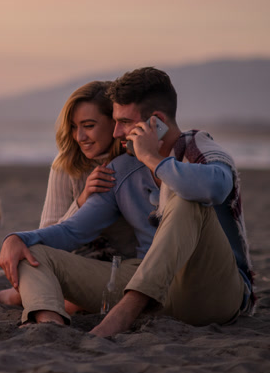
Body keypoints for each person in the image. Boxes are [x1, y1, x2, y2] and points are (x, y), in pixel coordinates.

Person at [89, 67, 254, 337]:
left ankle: (127, 310)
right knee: (37, 256)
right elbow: (74, 226)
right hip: (165, 289)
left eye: (125, 121)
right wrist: (23, 241)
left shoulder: (199, 147)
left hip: (219, 291)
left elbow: (214, 187)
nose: (116, 131)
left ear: (156, 122)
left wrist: (153, 159)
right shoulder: (129, 167)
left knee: (189, 196)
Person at [0, 80, 138, 306]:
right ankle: (17, 295)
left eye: (88, 125)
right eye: (73, 127)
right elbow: (47, 235)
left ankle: (25, 295)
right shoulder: (66, 166)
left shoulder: (137, 162)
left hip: (126, 267)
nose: (79, 137)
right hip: (75, 263)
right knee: (29, 257)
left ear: (115, 123)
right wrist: (82, 200)